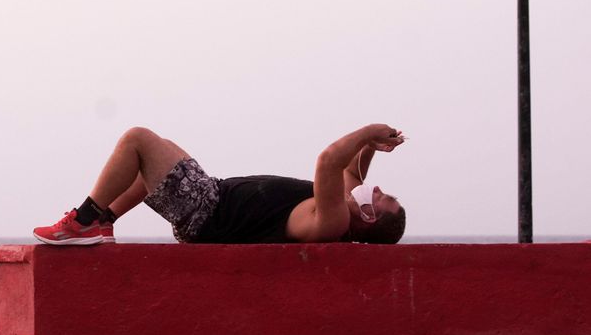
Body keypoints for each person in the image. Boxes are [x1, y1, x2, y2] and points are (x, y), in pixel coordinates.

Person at [33, 123, 406, 246]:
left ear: (370, 217)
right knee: (161, 151)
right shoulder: (342, 208)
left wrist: (368, 130)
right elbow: (354, 173)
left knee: (138, 141)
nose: (376, 190)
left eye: (382, 197)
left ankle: (83, 221)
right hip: (212, 198)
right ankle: (104, 221)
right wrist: (371, 147)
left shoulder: (333, 220)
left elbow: (329, 162)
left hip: (207, 213)